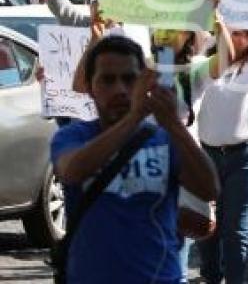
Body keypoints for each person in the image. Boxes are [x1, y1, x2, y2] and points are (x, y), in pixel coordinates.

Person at [50, 35, 219, 283]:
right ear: (90, 86)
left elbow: (209, 189)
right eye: (108, 80)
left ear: (144, 83)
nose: (119, 89)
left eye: (129, 80)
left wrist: (174, 125)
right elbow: (72, 171)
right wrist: (134, 118)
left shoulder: (164, 138)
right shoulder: (72, 137)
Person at [195, 17, 248, 284]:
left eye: (243, 33)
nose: (236, 38)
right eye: (230, 32)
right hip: (206, 158)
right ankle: (212, 278)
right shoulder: (202, 60)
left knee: (236, 231)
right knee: (206, 227)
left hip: (246, 159)